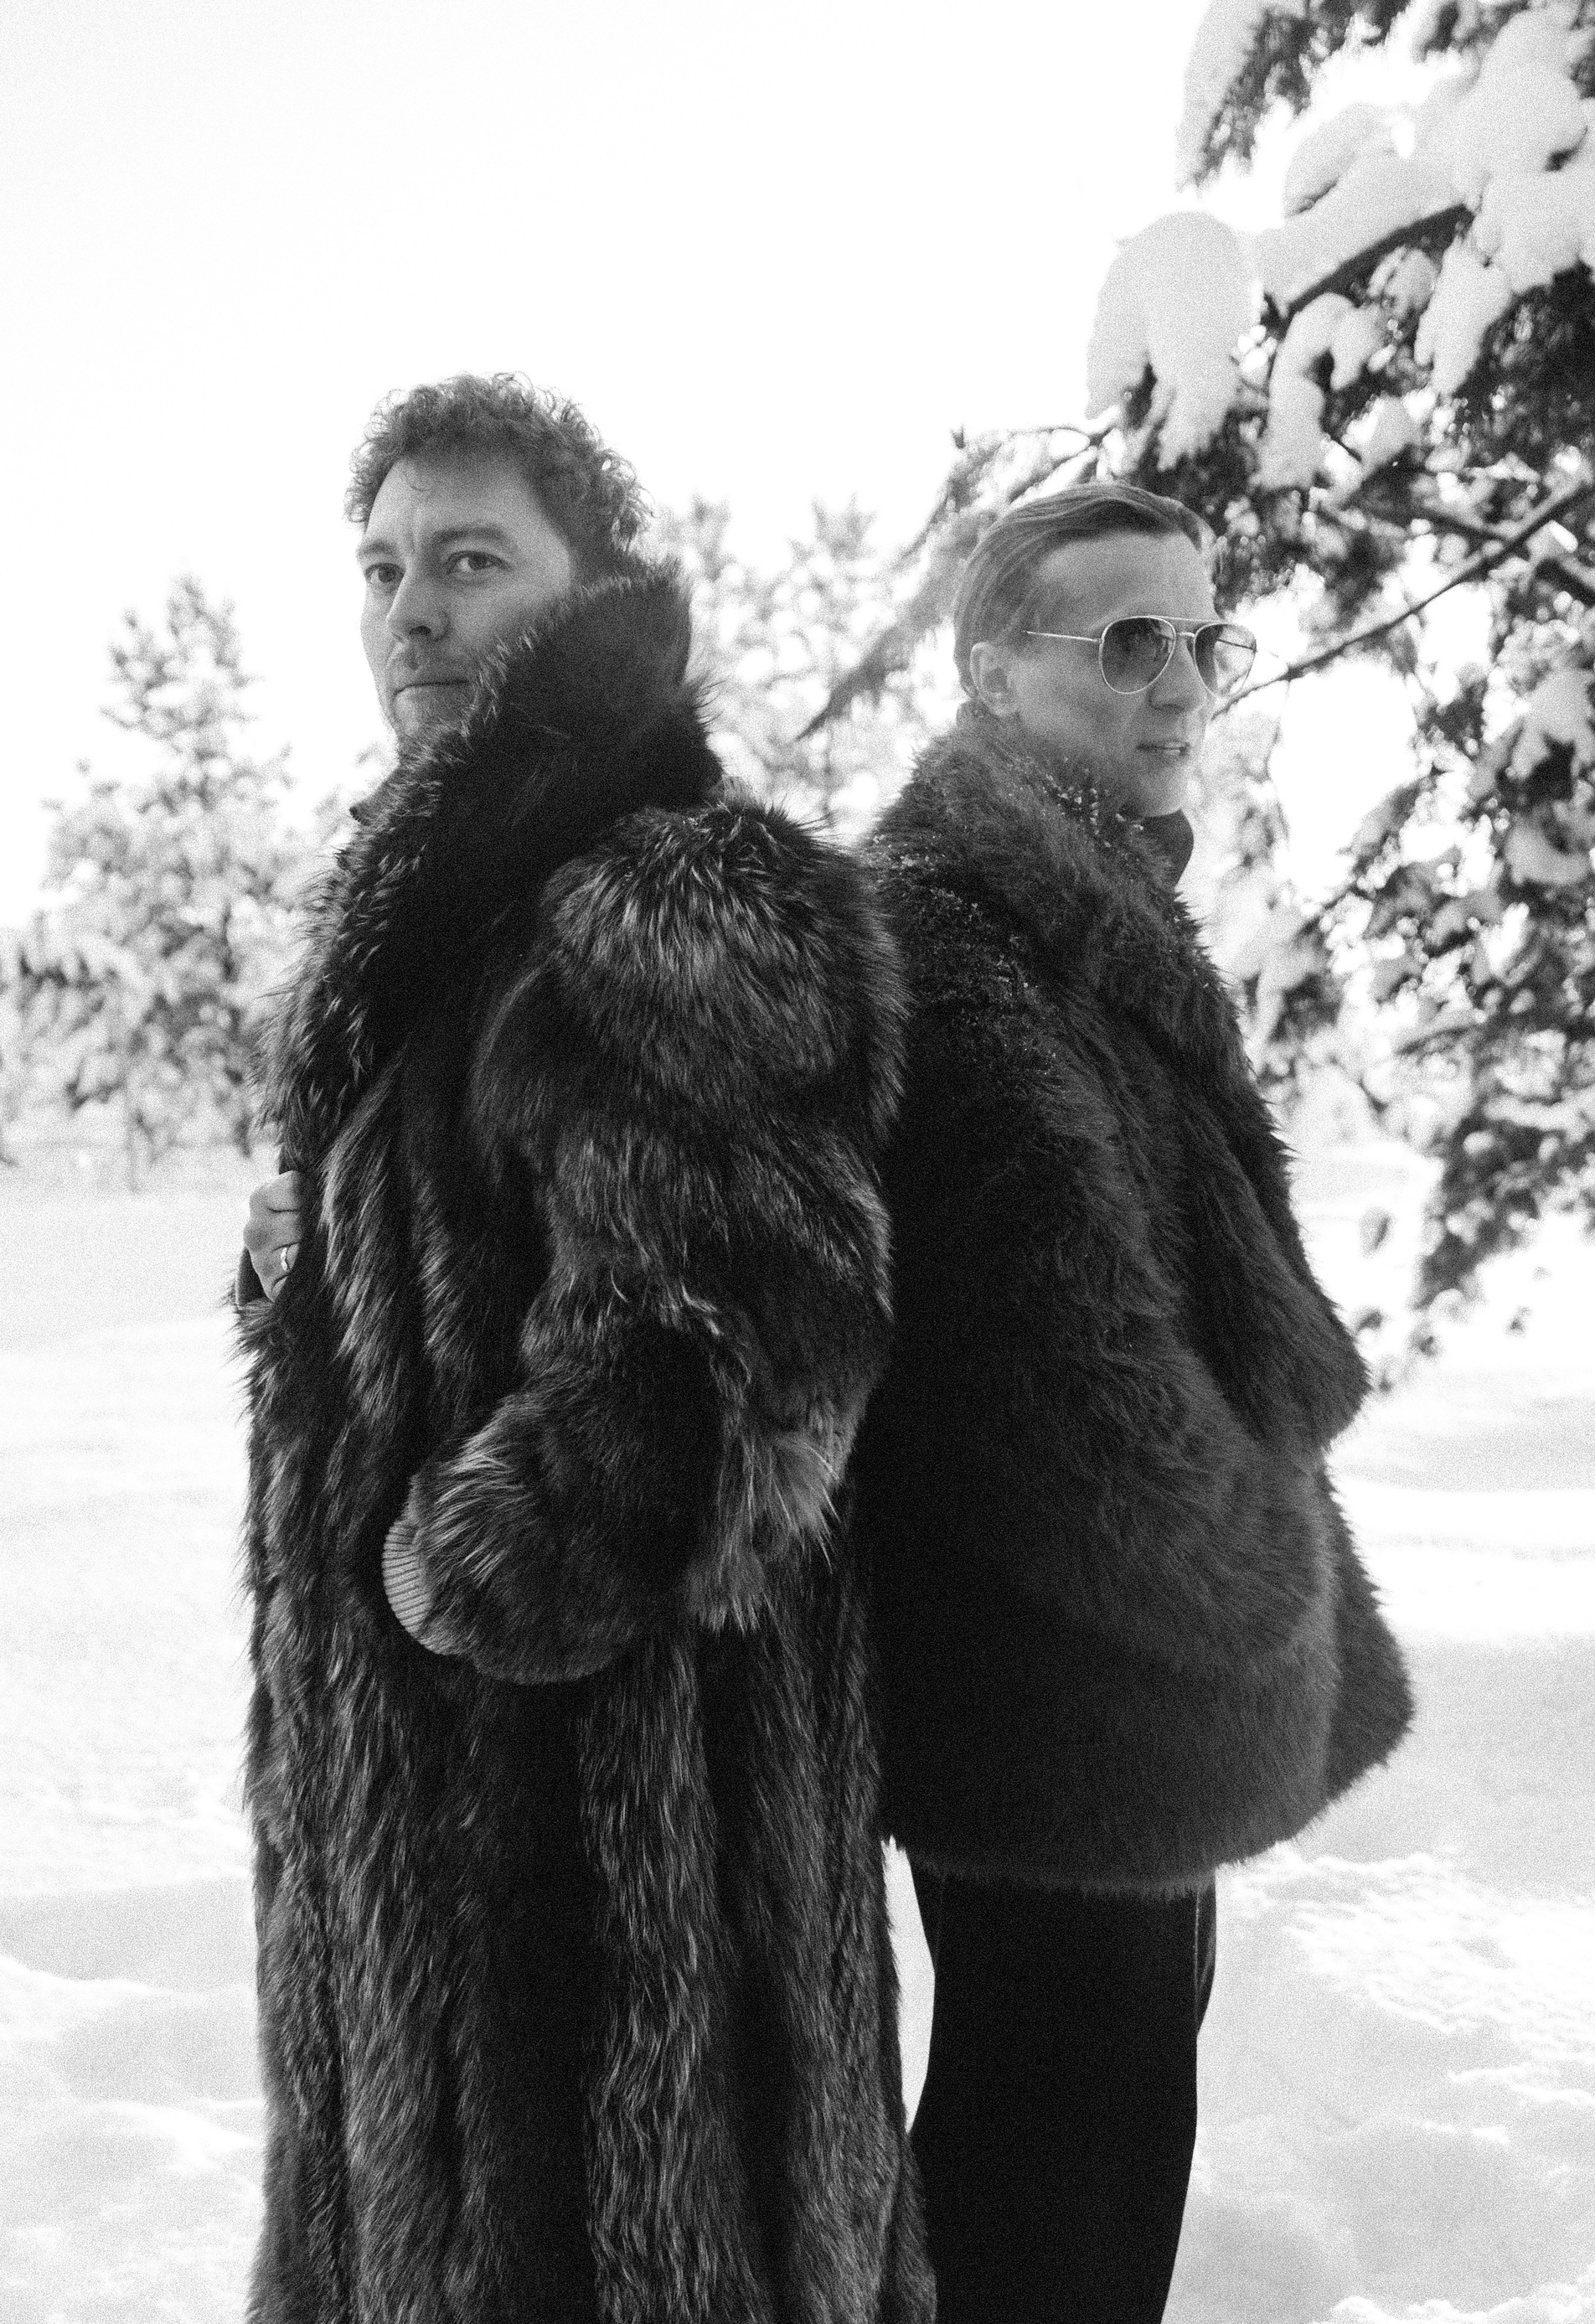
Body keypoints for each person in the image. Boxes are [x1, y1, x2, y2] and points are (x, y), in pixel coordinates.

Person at [236, 374, 932, 2324]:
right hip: (434, 1840)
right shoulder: (449, 911)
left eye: (472, 561)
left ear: (588, 585)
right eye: (384, 566)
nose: (413, 612)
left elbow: (737, 1354)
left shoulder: (659, 889)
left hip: (619, 1877)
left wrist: (458, 1571)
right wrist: (304, 1282)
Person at [850, 482, 1414, 2324]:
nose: (1178, 684)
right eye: (1124, 641)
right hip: (1059, 1690)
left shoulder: (1071, 915)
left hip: (1101, 1685)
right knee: (1057, 2189)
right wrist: (1244, 1570)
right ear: (989, 672)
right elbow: (1040, 1348)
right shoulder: (957, 942)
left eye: (1202, 639)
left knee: (1084, 2138)